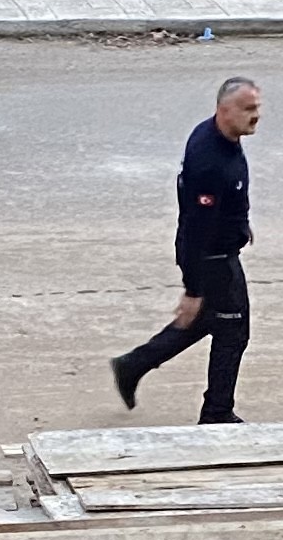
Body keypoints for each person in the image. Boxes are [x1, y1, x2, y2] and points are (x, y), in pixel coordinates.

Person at [110, 75, 262, 424]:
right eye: (248, 109)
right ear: (224, 111)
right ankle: (217, 413)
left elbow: (222, 202)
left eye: (257, 107)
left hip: (218, 250)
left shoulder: (221, 136)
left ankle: (132, 365)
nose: (256, 115)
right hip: (211, 259)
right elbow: (197, 228)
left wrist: (239, 222)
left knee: (209, 321)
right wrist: (193, 289)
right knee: (232, 331)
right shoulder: (209, 161)